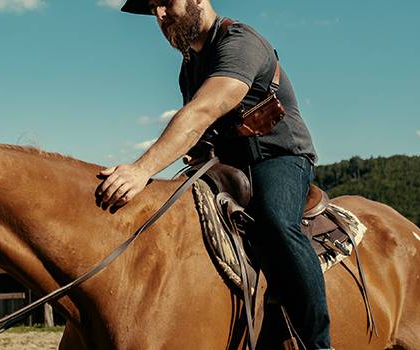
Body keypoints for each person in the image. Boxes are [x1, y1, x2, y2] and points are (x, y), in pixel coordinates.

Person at [95, 0, 331, 348]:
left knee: (275, 221)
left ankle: (318, 343)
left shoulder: (240, 43)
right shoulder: (189, 66)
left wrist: (141, 169)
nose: (160, 15)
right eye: (153, 9)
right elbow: (205, 133)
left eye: (166, 2)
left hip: (279, 157)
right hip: (228, 165)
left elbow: (202, 111)